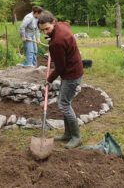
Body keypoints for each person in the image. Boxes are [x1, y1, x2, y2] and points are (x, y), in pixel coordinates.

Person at [38, 11, 84, 149]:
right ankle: (67, 134)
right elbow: (66, 25)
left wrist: (49, 79)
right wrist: (51, 36)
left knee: (64, 104)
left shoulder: (56, 43)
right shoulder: (61, 26)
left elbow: (60, 67)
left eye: (47, 29)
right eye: (42, 30)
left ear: (53, 22)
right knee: (65, 102)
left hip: (71, 74)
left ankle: (76, 137)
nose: (45, 33)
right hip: (75, 69)